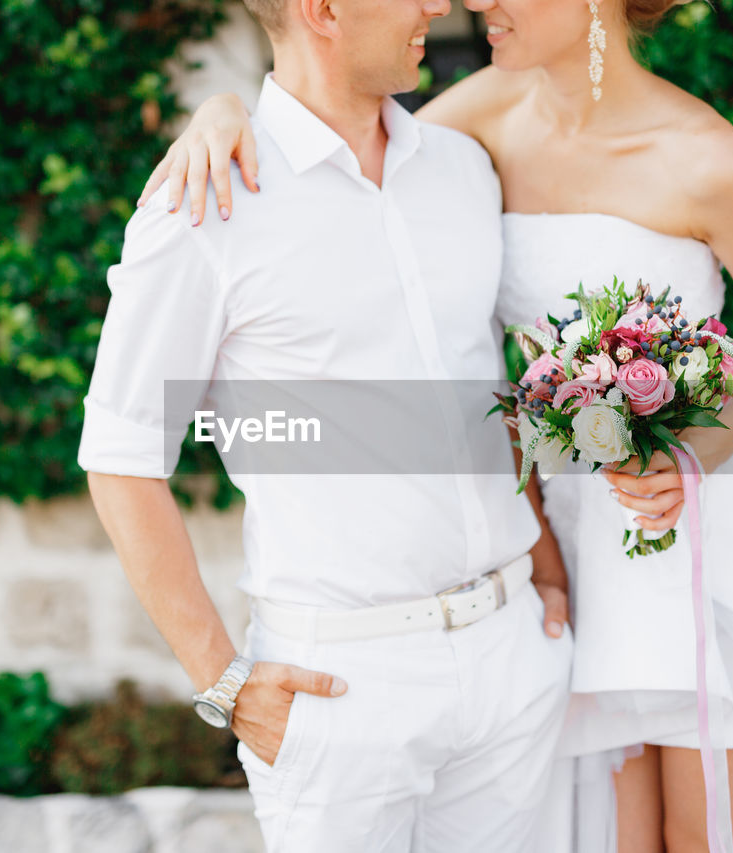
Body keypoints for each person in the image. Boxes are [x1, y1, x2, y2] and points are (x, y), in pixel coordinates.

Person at [135, 0, 733, 850]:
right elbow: (334, 143)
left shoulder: (706, 158)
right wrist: (221, 115)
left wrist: (692, 455)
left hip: (702, 530)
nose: (473, 1)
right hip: (569, 551)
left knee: (712, 839)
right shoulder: (476, 118)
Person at [77, 0, 576, 850]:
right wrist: (224, 683)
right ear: (322, 10)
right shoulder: (205, 200)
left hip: (511, 659)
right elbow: (121, 458)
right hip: (342, 686)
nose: (437, 6)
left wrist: (546, 572)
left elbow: (486, 393)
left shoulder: (463, 169)